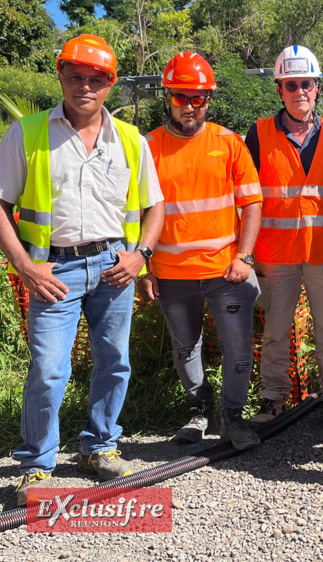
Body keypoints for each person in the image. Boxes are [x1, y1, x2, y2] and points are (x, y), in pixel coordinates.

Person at [0, 34, 164, 505]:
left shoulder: (130, 139)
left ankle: (100, 445)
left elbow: (155, 206)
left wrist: (141, 256)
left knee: (114, 362)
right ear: (61, 77)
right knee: (49, 370)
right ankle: (36, 464)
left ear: (110, 84)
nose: (85, 86)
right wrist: (25, 266)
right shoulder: (28, 134)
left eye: (96, 79)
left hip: (114, 266)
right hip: (55, 272)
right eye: (76, 76)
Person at [139, 52, 263, 451]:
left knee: (239, 349)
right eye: (180, 97)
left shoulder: (230, 143)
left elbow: (252, 204)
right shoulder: (148, 147)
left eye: (197, 98)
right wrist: (143, 267)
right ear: (168, 97)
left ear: (208, 99)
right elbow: (133, 211)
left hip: (226, 272)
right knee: (185, 347)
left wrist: (244, 257)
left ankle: (232, 417)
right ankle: (200, 410)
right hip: (170, 272)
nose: (189, 106)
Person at [243, 46, 323, 429]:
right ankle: (273, 398)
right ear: (279, 90)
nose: (299, 91)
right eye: (291, 85)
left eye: (306, 83)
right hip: (275, 254)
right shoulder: (256, 135)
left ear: (317, 87)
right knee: (275, 331)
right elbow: (246, 197)